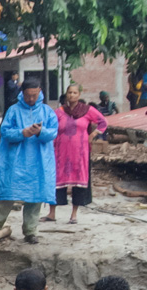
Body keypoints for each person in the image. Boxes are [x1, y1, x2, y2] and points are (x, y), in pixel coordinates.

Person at [0, 80, 57, 244]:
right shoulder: (13, 111)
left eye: (34, 95)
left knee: (35, 196)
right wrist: (22, 132)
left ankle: (30, 231)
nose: (31, 99)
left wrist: (40, 132)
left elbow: (53, 132)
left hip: (38, 162)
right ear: (22, 93)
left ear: (40, 91)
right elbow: (5, 131)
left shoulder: (47, 112)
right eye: (28, 95)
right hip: (15, 162)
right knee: (7, 195)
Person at [44, 84, 107, 225]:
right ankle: (52, 213)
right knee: (56, 182)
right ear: (66, 94)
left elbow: (103, 122)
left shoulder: (87, 110)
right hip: (60, 153)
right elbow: (49, 127)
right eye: (69, 92)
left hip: (80, 153)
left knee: (78, 183)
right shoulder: (59, 112)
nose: (71, 95)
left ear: (79, 95)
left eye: (74, 92)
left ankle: (74, 214)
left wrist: (94, 133)